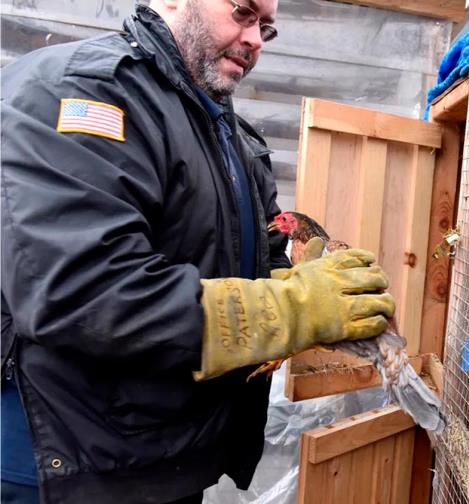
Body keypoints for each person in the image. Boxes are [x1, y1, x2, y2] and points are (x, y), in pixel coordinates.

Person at [0, 0, 396, 502]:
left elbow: (246, 261)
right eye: (243, 12)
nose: (255, 39)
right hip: (66, 463)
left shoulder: (229, 134)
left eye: (267, 28)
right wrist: (295, 307)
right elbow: (83, 293)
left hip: (167, 456)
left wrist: (308, 288)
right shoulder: (87, 90)